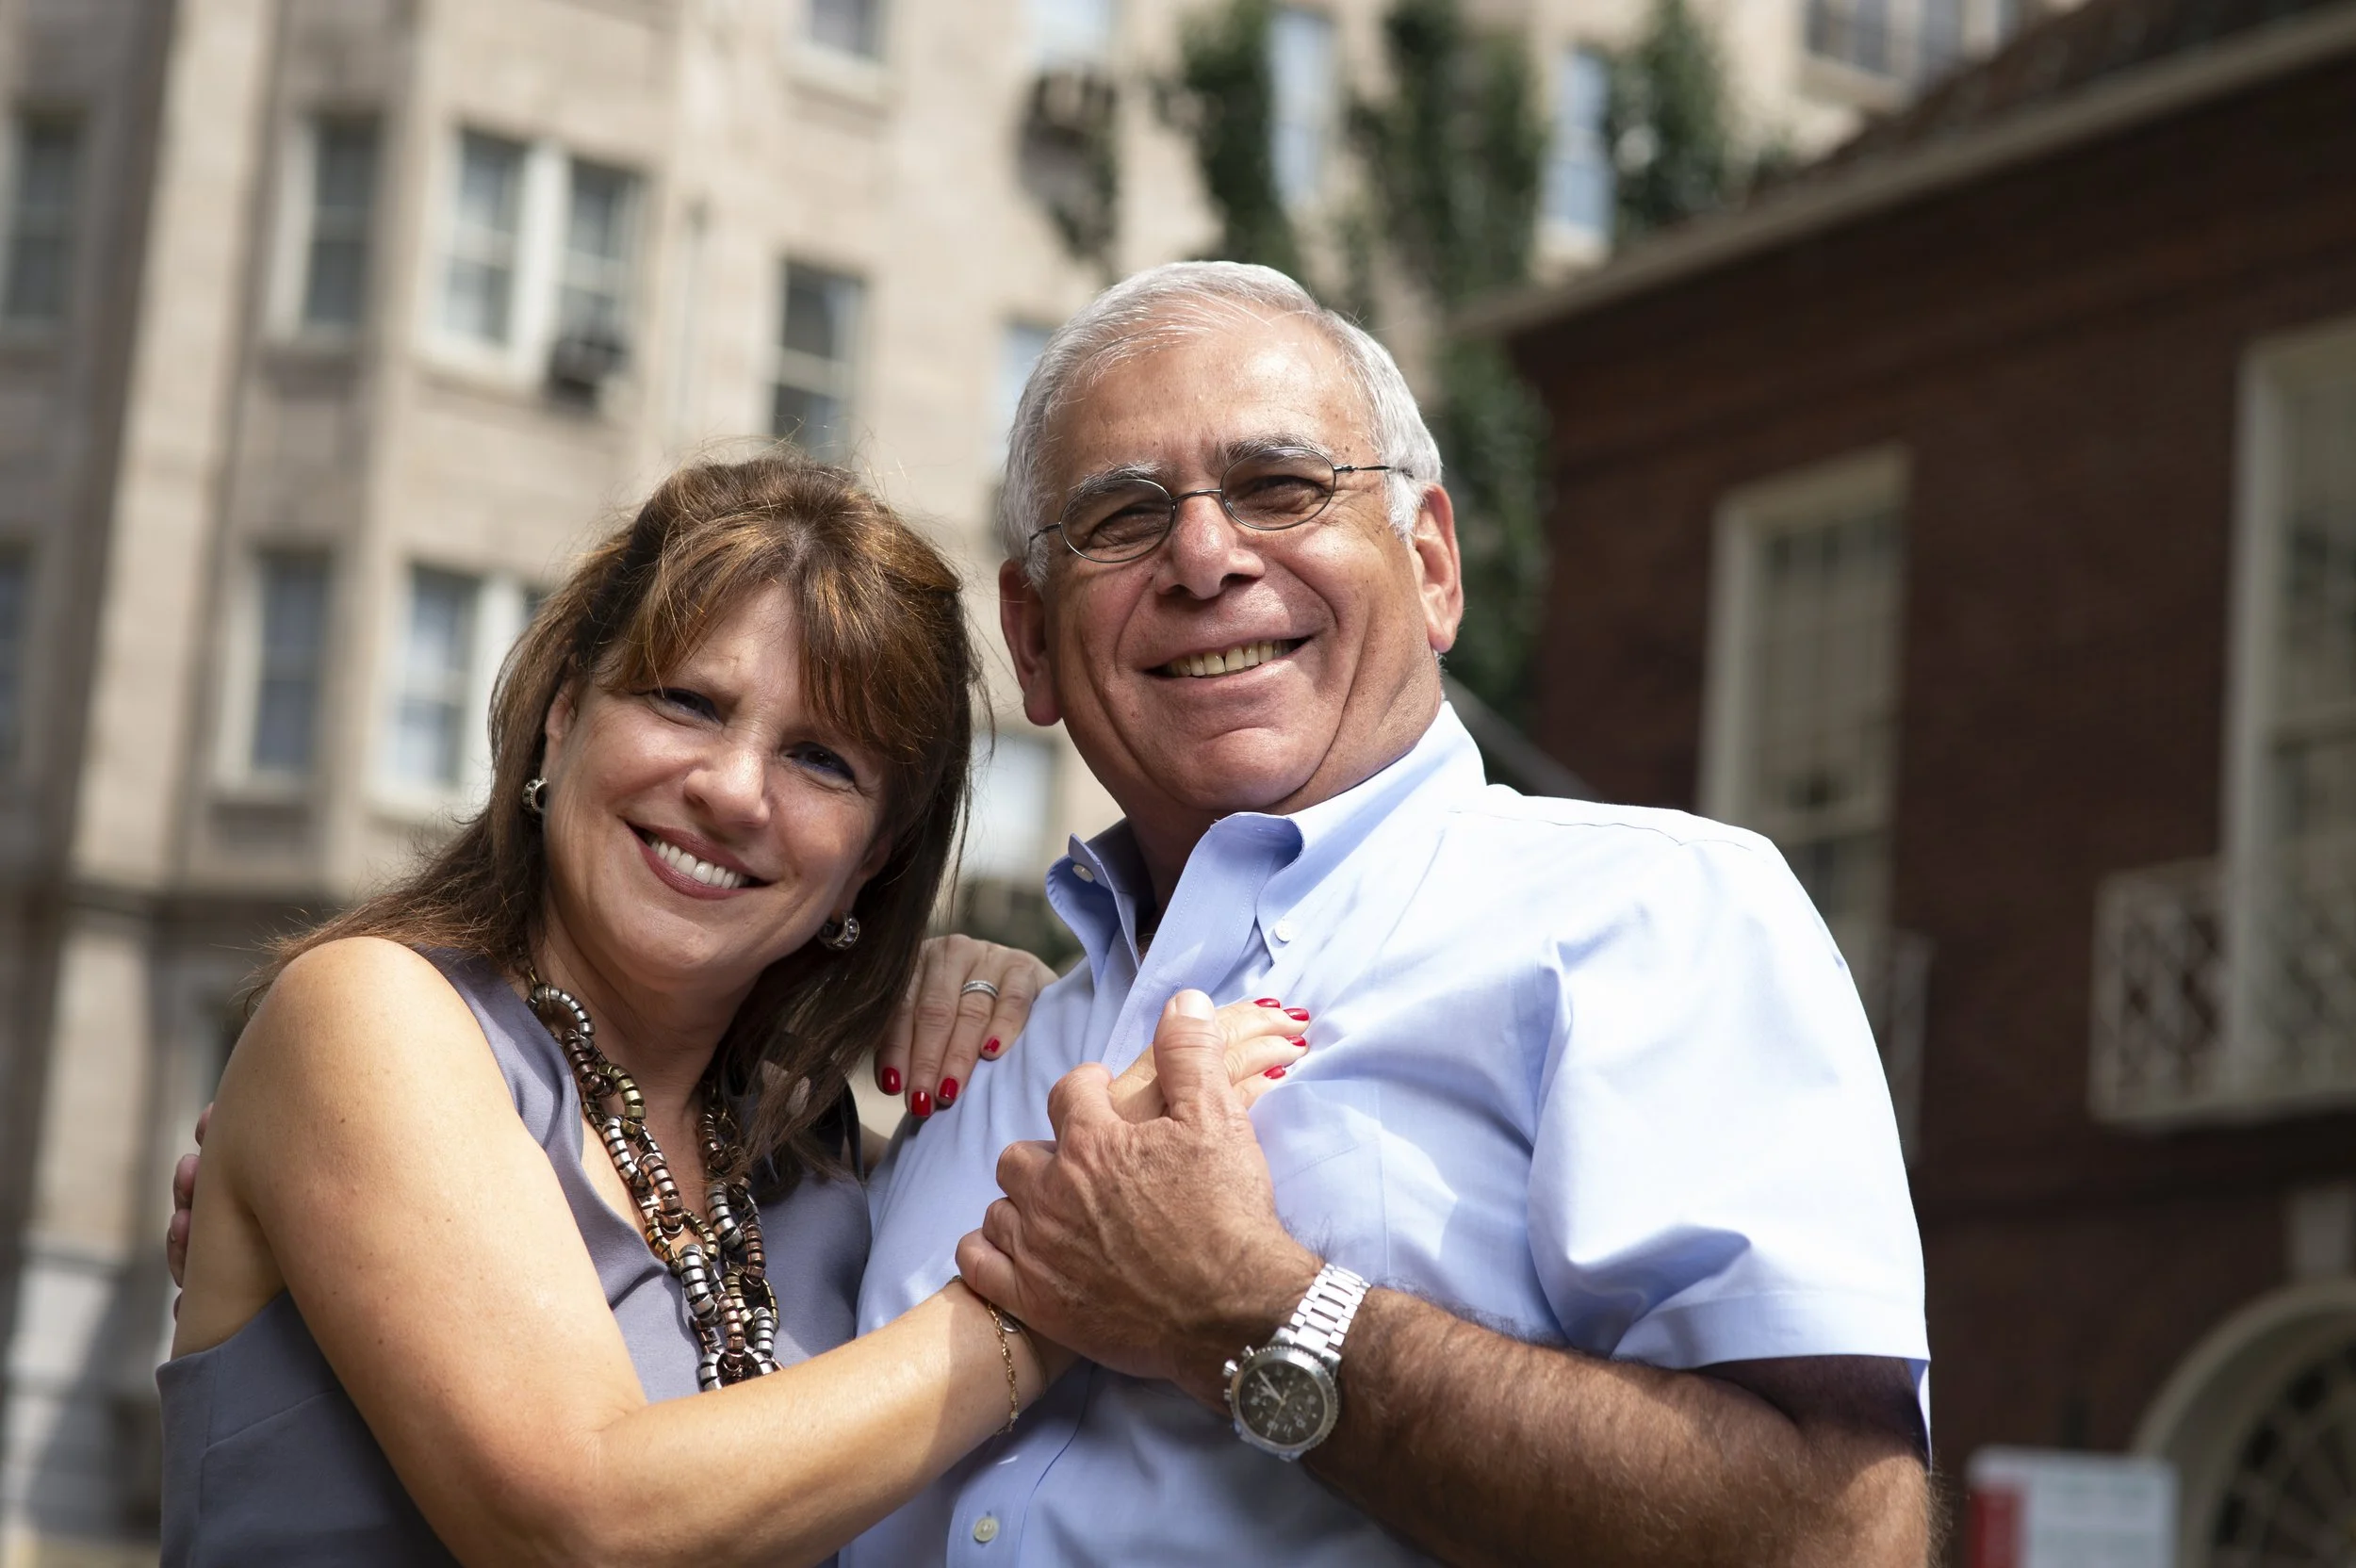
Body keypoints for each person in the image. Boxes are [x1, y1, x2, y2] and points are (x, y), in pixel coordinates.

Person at [848, 262, 1935, 1568]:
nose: (1204, 554)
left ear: (1430, 564)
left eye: (1281, 487)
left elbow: (1840, 1538)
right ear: (1030, 641)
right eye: (1123, 516)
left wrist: (1248, 1314)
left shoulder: (1653, 917)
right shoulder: (973, 1066)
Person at [162, 451, 1309, 1567]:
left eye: (820, 759)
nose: (732, 788)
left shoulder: (820, 1179)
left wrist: (1023, 1014)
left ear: (872, 862)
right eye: (685, 701)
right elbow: (580, 1523)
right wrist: (1057, 1279)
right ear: (563, 717)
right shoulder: (370, 1014)